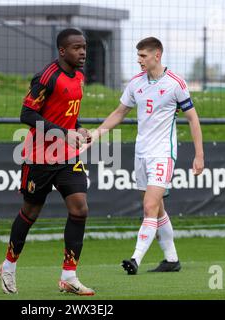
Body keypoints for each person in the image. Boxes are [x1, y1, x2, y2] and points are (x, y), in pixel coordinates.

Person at [90, 37, 204, 275]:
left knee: (149, 206)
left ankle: (135, 259)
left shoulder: (175, 84)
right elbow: (120, 112)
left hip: (163, 154)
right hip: (141, 154)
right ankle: (171, 259)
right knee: (158, 209)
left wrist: (199, 155)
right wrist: (97, 133)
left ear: (157, 55)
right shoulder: (135, 83)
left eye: (143, 55)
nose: (139, 60)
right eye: (138, 55)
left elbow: (193, 118)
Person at [0, 28, 95, 295]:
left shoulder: (79, 77)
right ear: (62, 51)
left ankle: (69, 276)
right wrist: (64, 133)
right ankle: (8, 265)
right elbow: (27, 114)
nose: (83, 52)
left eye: (84, 47)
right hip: (39, 156)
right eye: (76, 48)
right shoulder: (46, 77)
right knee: (31, 212)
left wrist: (80, 128)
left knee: (80, 209)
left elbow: (67, 114)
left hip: (68, 156)